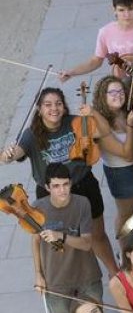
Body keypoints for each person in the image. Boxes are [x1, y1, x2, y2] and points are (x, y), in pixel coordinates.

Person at [3, 86, 118, 276]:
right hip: (51, 195)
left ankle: (115, 273)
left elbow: (104, 132)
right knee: (59, 240)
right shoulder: (31, 134)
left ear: (64, 107)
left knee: (97, 235)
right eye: (47, 105)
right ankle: (71, 277)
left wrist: (93, 114)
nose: (54, 108)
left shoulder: (75, 123)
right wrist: (6, 155)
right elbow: (15, 153)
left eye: (58, 104)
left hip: (82, 185)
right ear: (39, 109)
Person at [32, 162, 107, 313]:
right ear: (47, 187)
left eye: (65, 185)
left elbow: (86, 243)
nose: (62, 190)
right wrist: (38, 273)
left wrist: (60, 236)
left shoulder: (82, 203)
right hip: (56, 278)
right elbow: (35, 241)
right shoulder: (39, 207)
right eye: (56, 186)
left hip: (86, 274)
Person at [87, 75, 133, 246]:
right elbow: (126, 154)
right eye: (112, 92)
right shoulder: (100, 123)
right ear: (102, 96)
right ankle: (124, 250)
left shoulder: (127, 111)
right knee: (127, 215)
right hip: (121, 173)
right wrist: (131, 125)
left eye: (121, 91)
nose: (118, 95)